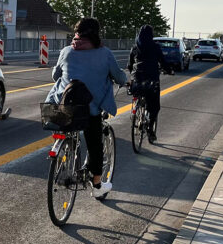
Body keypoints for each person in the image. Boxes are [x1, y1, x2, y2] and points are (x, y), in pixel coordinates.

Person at [45, 18, 127, 198]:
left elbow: (55, 75)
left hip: (63, 109)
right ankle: (97, 185)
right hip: (89, 110)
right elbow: (120, 77)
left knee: (68, 128)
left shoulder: (66, 51)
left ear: (77, 33)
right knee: (95, 144)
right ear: (96, 34)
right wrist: (125, 81)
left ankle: (64, 156)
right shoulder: (105, 53)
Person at [127, 25, 171, 143]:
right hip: (151, 81)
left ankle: (137, 113)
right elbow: (163, 62)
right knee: (154, 107)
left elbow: (129, 66)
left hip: (137, 80)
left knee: (138, 95)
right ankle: (150, 130)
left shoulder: (135, 48)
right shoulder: (155, 47)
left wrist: (133, 76)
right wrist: (169, 70)